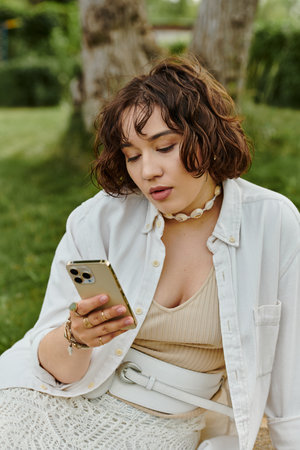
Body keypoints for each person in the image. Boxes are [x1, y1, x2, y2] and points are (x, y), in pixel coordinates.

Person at [0, 56, 299, 450]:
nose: (148, 171)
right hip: (57, 399)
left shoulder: (272, 222)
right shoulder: (99, 218)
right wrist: (77, 335)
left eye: (164, 147)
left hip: (162, 428)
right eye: (133, 155)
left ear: (207, 138)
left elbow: (292, 363)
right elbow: (56, 370)